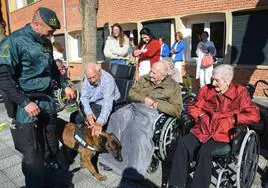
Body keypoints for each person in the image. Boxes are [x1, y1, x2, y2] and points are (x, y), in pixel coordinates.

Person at [0, 7, 76, 187]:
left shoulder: (46, 43)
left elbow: (53, 69)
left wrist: (65, 86)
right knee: (33, 154)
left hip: (47, 103)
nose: (52, 35)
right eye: (50, 31)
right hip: (27, 106)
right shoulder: (13, 42)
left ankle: (51, 180)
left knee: (50, 145)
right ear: (36, 24)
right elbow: (3, 76)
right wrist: (25, 102)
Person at [168, 64, 260, 188]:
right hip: (202, 130)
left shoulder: (240, 92)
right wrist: (200, 115)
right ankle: (176, 184)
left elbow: (254, 115)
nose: (213, 83)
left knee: (205, 151)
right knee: (183, 143)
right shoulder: (206, 89)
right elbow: (192, 106)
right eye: (212, 79)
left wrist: (234, 119)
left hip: (224, 135)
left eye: (217, 80)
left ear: (227, 82)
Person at [99, 61, 183, 180]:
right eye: (151, 71)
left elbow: (177, 110)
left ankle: (133, 168)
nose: (150, 74)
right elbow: (131, 94)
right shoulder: (144, 79)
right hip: (134, 106)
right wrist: (144, 98)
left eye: (154, 73)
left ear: (163, 75)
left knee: (135, 130)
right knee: (115, 118)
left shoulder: (173, 87)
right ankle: (110, 158)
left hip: (151, 112)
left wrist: (156, 103)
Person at [71, 63, 120, 136]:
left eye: (93, 77)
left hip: (108, 104)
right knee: (74, 116)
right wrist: (88, 113)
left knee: (95, 123)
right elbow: (84, 97)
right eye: (89, 78)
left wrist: (99, 122)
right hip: (94, 103)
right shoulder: (87, 79)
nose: (92, 80)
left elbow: (107, 104)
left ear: (99, 72)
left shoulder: (108, 80)